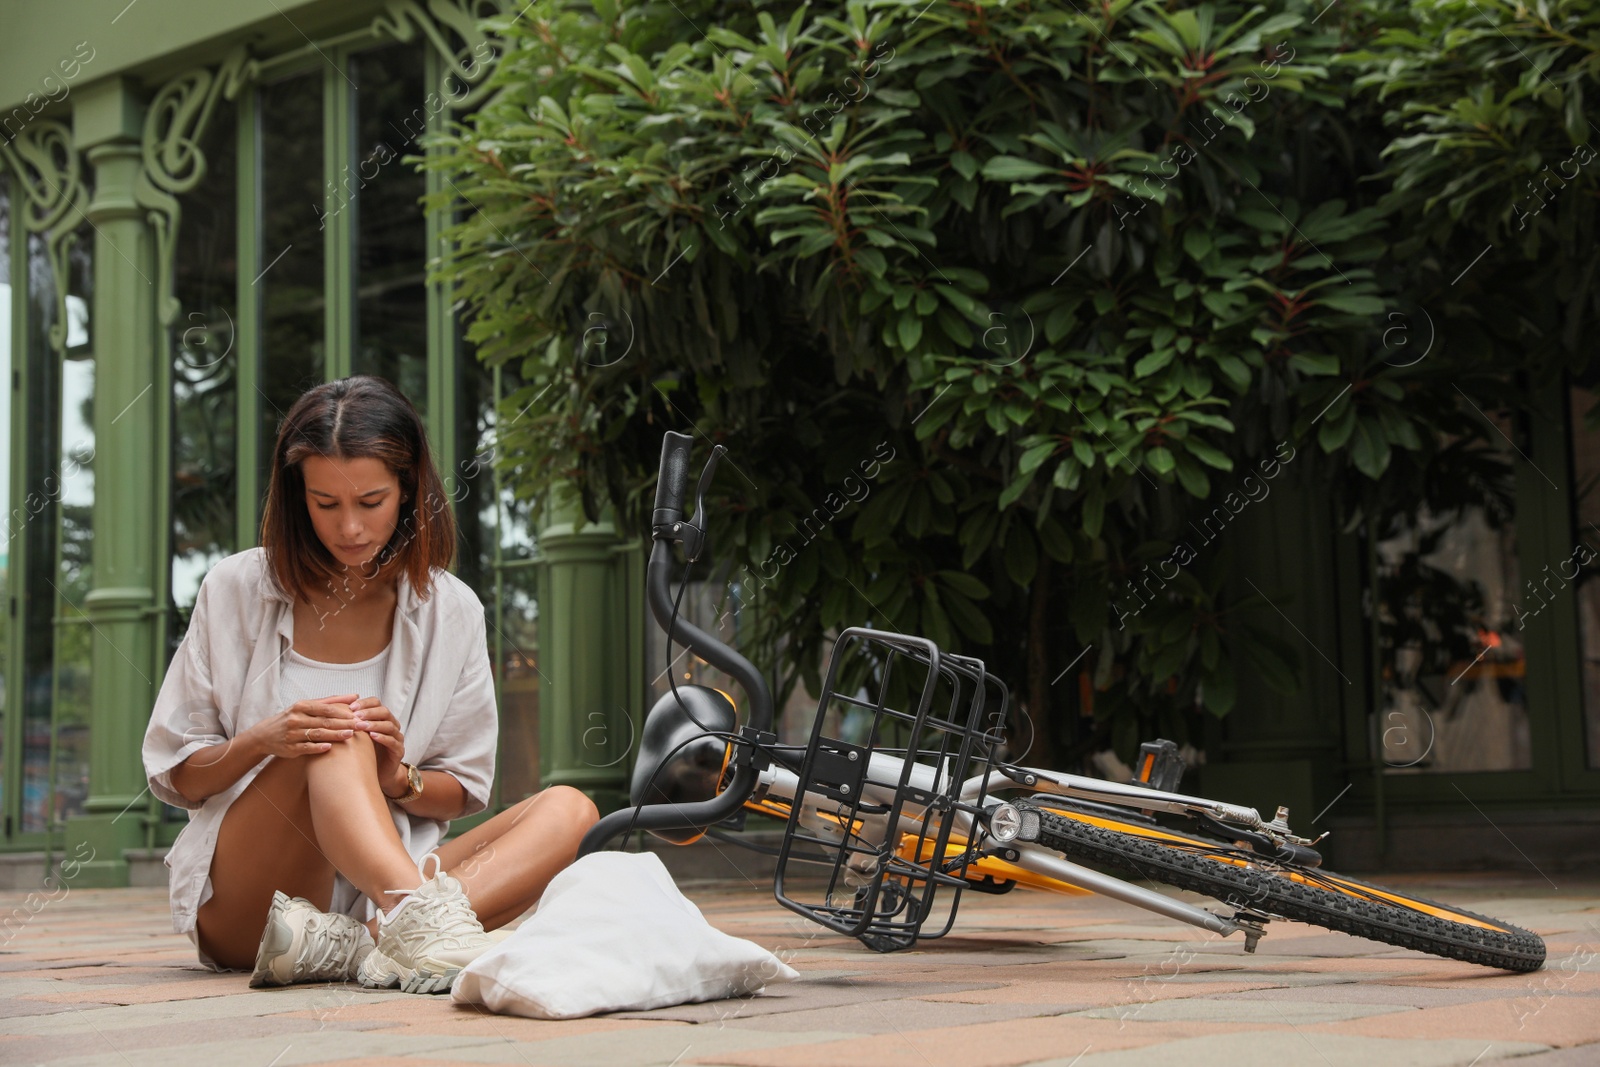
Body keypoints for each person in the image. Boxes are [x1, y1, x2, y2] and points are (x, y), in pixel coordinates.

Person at [141, 375, 599, 993]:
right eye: (326, 504)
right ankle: (419, 924)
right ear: (297, 495)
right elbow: (180, 775)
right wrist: (265, 741)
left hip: (373, 891)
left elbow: (461, 788)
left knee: (573, 810)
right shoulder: (235, 589)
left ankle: (361, 944)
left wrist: (396, 778)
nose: (350, 527)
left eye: (372, 501)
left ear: (409, 490)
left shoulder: (451, 609)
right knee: (339, 732)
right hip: (252, 904)